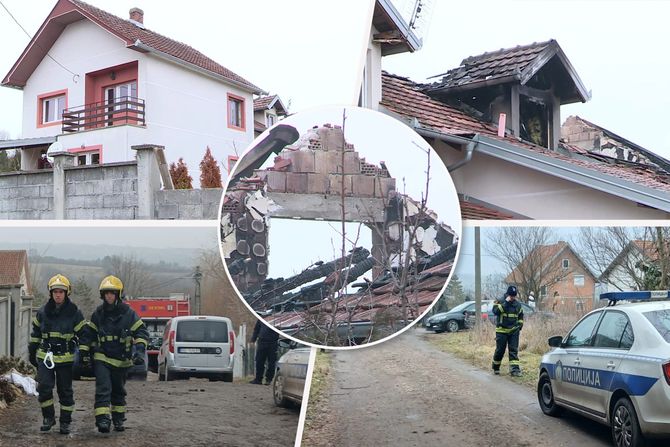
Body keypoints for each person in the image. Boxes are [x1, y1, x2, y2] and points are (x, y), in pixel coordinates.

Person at [86, 275, 149, 433]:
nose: (109, 296)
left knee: (118, 390)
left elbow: (141, 332)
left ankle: (118, 419)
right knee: (103, 388)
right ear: (102, 294)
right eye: (106, 293)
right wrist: (85, 353)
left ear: (118, 294)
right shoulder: (98, 314)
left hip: (121, 360)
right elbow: (89, 335)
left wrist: (140, 352)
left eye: (112, 293)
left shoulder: (128, 314)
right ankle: (102, 420)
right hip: (102, 357)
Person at [28, 274, 89, 434]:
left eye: (61, 291)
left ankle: (65, 422)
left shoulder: (74, 312)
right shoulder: (42, 312)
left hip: (66, 358)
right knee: (44, 388)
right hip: (45, 357)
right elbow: (35, 333)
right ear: (51, 293)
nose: (58, 294)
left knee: (65, 391)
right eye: (55, 291)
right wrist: (32, 350)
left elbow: (84, 334)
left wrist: (83, 353)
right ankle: (48, 418)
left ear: (67, 293)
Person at [491, 285, 524, 377]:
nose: (513, 298)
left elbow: (521, 315)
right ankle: (496, 367)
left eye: (514, 296)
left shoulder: (518, 304)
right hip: (501, 331)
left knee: (513, 350)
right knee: (500, 350)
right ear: (508, 294)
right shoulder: (500, 301)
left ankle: (515, 370)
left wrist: (520, 325)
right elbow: (496, 311)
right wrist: (506, 302)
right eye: (511, 296)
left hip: (514, 331)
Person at [249, 318, 279, 385]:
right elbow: (257, 329)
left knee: (271, 363)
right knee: (259, 361)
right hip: (262, 342)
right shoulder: (261, 318)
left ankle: (269, 379)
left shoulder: (276, 318)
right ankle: (258, 379)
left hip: (273, 343)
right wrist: (253, 340)